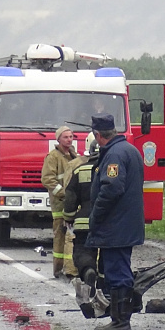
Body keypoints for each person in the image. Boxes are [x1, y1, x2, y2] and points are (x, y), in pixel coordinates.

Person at [86, 113, 145, 330]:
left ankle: (120, 322)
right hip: (125, 224)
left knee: (117, 272)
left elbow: (111, 188)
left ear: (98, 135)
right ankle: (119, 319)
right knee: (119, 269)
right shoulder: (129, 150)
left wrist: (96, 217)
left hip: (116, 226)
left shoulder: (115, 155)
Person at [62, 133, 105, 318]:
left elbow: (70, 197)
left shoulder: (80, 171)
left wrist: (68, 217)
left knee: (82, 251)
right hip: (105, 222)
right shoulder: (109, 168)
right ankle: (105, 286)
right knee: (107, 255)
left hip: (82, 222)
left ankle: (88, 270)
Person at [41, 125, 78, 278]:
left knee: (72, 236)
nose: (69, 139)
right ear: (58, 139)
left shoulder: (73, 155)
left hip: (73, 203)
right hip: (60, 205)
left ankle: (71, 268)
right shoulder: (53, 157)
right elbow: (47, 179)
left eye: (71, 137)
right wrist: (64, 194)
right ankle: (58, 270)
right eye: (66, 137)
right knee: (60, 236)